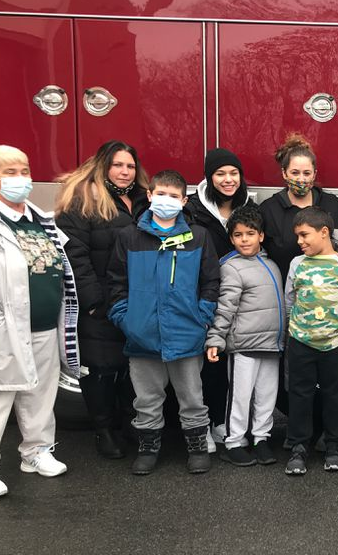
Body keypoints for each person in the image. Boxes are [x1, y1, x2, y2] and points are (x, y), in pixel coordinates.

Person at [0, 145, 80, 499]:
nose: (20, 178)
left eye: (23, 170)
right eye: (9, 172)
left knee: (39, 394)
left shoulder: (38, 220)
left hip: (42, 326)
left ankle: (36, 451)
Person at [107, 170, 220, 476]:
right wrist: (126, 319)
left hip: (186, 334)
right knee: (146, 397)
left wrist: (202, 316)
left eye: (173, 196)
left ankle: (197, 446)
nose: (166, 200)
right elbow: (116, 283)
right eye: (161, 194)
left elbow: (210, 282)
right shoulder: (129, 237)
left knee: (192, 396)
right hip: (142, 336)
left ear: (184, 201)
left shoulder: (198, 237)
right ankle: (148, 448)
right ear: (150, 195)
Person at [54, 140, 149, 460]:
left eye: (130, 166)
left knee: (130, 367)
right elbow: (74, 256)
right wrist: (93, 301)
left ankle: (127, 425)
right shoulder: (83, 200)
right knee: (100, 370)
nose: (125, 172)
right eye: (118, 165)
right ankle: (104, 431)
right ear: (102, 165)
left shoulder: (141, 200)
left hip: (135, 300)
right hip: (101, 302)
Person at [282, 207, 338, 475]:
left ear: (324, 232)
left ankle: (334, 446)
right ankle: (298, 447)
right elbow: (289, 301)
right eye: (297, 236)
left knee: (335, 396)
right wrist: (289, 333)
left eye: (304, 235)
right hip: (300, 341)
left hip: (335, 343)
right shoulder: (297, 264)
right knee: (300, 396)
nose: (300, 241)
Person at [205, 205, 285, 468]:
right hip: (243, 346)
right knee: (239, 397)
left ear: (261, 236)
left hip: (271, 345)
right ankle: (233, 441)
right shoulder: (230, 267)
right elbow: (225, 307)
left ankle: (261, 438)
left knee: (266, 396)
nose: (244, 240)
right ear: (231, 239)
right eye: (238, 235)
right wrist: (216, 339)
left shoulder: (271, 263)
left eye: (250, 234)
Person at [188, 148, 253, 451]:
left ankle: (220, 422)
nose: (228, 180)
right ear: (209, 177)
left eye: (233, 173)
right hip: (203, 295)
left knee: (227, 361)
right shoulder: (192, 210)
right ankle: (199, 426)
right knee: (203, 363)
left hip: (237, 298)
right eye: (220, 174)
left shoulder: (249, 207)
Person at [260, 133, 338, 281]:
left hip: (332, 294)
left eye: (306, 173)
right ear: (284, 173)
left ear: (314, 175)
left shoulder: (331, 204)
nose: (301, 179)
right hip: (289, 294)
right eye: (295, 173)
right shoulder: (269, 210)